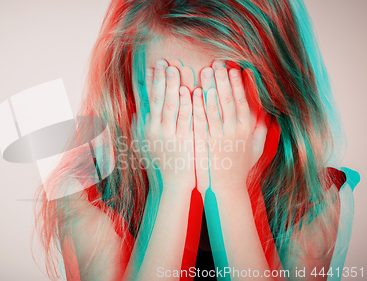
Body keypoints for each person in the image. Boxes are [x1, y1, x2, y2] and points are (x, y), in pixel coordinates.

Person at [34, 0, 360, 280]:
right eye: (168, 98)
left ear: (276, 97)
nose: (194, 126)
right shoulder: (85, 194)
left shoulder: (314, 203)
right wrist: (171, 189)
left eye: (222, 102)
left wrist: (231, 190)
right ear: (126, 92)